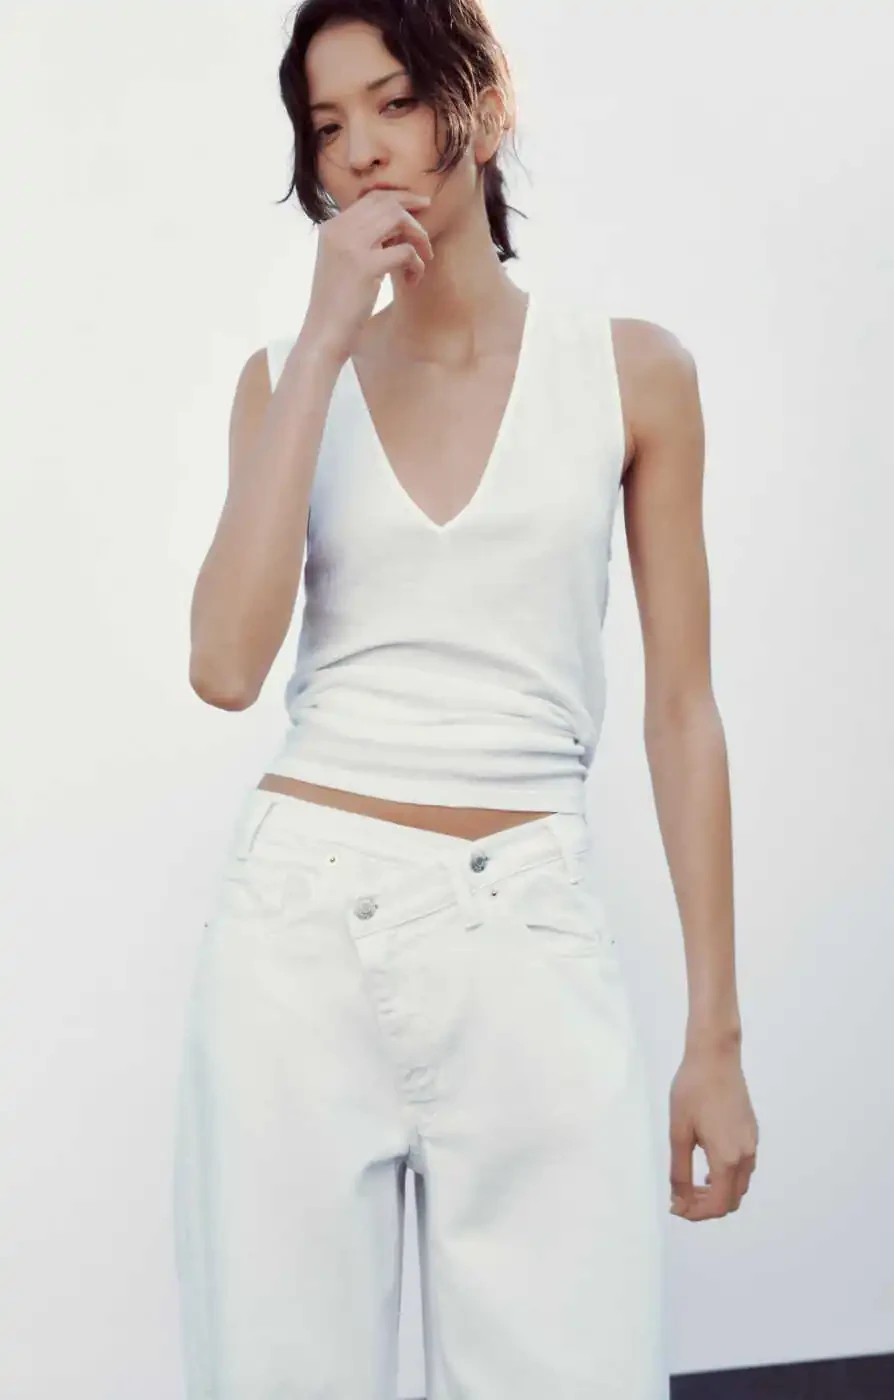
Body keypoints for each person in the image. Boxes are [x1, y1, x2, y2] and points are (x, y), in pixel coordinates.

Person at [173, 1, 759, 1397]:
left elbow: (683, 712)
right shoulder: (287, 382)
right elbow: (226, 668)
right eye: (328, 127)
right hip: (296, 941)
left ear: (480, 105)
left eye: (394, 101)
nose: (363, 151)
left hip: (529, 931)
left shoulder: (633, 373)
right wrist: (323, 338)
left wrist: (716, 1038)